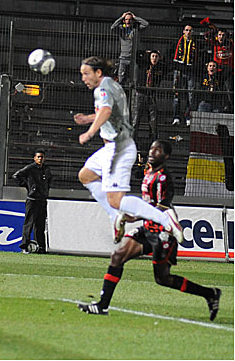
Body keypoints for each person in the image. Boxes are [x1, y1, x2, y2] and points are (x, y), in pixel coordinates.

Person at [78, 139, 222, 319]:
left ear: (166, 156)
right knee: (117, 256)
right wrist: (135, 216)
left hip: (163, 232)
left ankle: (210, 294)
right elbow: (149, 203)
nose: (152, 152)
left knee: (163, 279)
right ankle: (102, 305)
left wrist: (138, 215)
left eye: (158, 150)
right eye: (152, 148)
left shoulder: (163, 177)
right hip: (147, 228)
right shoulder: (148, 171)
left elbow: (163, 205)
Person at [74, 56, 183, 246]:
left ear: (98, 73)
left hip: (118, 149)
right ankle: (115, 217)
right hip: (111, 147)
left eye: (86, 74)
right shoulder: (110, 85)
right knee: (86, 176)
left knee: (116, 200)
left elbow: (106, 111)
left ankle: (165, 219)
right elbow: (109, 112)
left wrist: (89, 132)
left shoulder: (102, 89)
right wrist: (88, 118)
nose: (83, 78)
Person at [13, 150, 53, 254]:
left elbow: (49, 181)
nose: (40, 159)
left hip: (42, 200)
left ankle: (40, 247)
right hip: (32, 200)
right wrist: (29, 186)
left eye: (42, 157)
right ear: (35, 158)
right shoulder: (30, 168)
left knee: (40, 225)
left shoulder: (46, 169)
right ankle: (25, 246)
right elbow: (16, 176)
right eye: (38, 157)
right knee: (29, 223)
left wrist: (45, 191)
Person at [132, 50, 164, 147]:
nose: (154, 58)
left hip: (151, 96)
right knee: (136, 119)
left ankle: (153, 141)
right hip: (140, 95)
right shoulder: (143, 64)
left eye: (156, 56)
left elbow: (170, 65)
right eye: (152, 56)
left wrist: (162, 56)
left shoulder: (160, 68)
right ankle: (132, 140)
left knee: (153, 121)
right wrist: (146, 52)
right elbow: (136, 55)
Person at [110, 11, 149, 86]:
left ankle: (133, 93)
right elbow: (113, 27)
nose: (128, 21)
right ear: (124, 21)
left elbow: (146, 24)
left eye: (130, 19)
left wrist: (135, 17)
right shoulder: (121, 29)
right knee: (121, 80)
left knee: (135, 80)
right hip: (123, 58)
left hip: (134, 59)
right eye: (126, 19)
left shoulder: (136, 29)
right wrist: (121, 17)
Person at [171, 25, 197, 126]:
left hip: (191, 72)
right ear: (183, 31)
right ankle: (176, 117)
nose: (188, 32)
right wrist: (176, 66)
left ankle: (187, 117)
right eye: (186, 30)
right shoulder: (177, 42)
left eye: (190, 30)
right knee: (176, 94)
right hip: (179, 71)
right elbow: (171, 55)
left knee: (190, 95)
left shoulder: (196, 43)